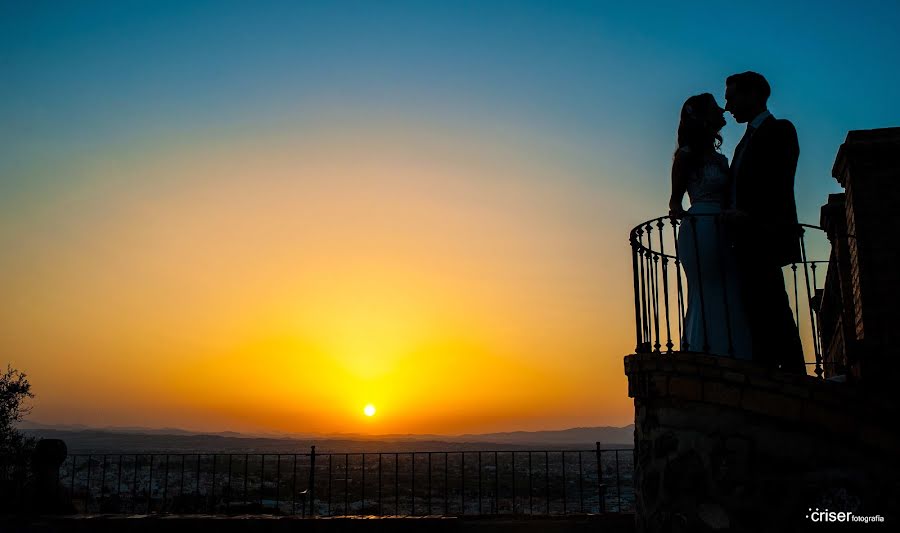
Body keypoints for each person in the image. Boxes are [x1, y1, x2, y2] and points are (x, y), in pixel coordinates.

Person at [722, 71, 806, 374]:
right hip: (743, 241)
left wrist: (751, 218)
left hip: (764, 236)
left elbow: (780, 182)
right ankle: (767, 370)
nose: (727, 106)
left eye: (732, 97)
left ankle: (793, 375)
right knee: (758, 309)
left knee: (773, 307)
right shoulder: (743, 142)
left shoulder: (780, 130)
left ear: (754, 94)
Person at [669, 93, 753, 359]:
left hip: (725, 227)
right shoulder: (686, 155)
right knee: (706, 289)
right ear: (704, 118)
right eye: (716, 107)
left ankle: (735, 351)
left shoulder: (719, 158)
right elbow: (674, 203)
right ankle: (704, 350)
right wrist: (696, 219)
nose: (723, 110)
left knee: (729, 288)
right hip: (701, 228)